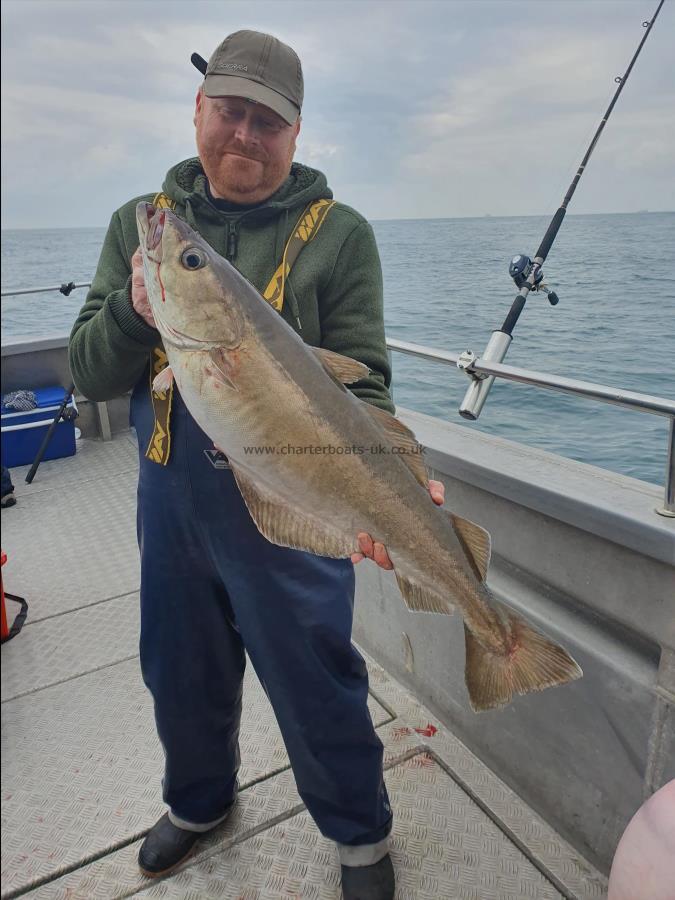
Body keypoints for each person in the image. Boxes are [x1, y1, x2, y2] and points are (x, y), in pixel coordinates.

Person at [69, 30, 444, 899]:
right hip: (172, 500)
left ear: (296, 133)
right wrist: (134, 313)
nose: (243, 135)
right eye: (228, 112)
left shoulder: (338, 234)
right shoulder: (146, 225)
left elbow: (366, 380)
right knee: (178, 668)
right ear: (198, 111)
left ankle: (359, 837)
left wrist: (391, 487)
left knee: (317, 678)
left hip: (297, 501)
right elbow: (88, 373)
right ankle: (197, 802)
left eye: (265, 122)